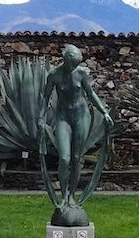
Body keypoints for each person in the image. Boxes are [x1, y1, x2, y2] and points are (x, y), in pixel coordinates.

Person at [39, 45, 114, 210]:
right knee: (64, 158)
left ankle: (72, 195)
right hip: (63, 118)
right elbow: (46, 97)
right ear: (65, 60)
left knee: (76, 158)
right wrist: (41, 117)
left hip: (81, 117)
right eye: (72, 63)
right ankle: (63, 193)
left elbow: (91, 93)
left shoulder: (81, 74)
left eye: (76, 63)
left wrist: (104, 112)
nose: (74, 66)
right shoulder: (54, 75)